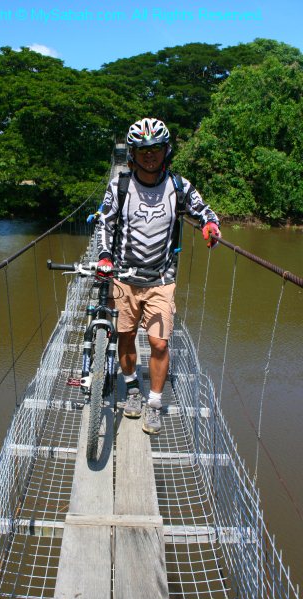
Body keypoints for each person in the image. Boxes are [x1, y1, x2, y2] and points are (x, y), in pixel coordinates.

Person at [97, 117, 221, 435]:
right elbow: (105, 224)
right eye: (143, 150)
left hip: (161, 279)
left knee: (159, 344)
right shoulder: (120, 185)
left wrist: (211, 225)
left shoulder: (179, 187)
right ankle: (132, 389)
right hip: (124, 279)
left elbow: (205, 211)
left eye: (155, 149)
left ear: (166, 151)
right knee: (124, 337)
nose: (149, 155)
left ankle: (154, 403)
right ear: (133, 154)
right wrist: (104, 257)